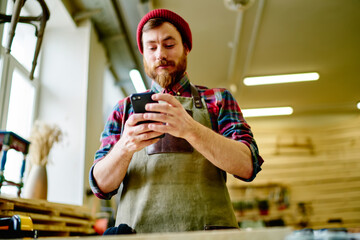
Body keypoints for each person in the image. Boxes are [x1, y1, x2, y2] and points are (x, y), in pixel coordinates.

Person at [89, 8, 264, 233]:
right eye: (151, 48)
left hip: (209, 237)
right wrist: (124, 147)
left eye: (169, 45)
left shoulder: (218, 100)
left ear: (186, 48)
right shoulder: (124, 110)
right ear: (144, 54)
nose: (160, 54)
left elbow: (247, 165)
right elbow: (100, 186)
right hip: (138, 237)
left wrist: (191, 129)